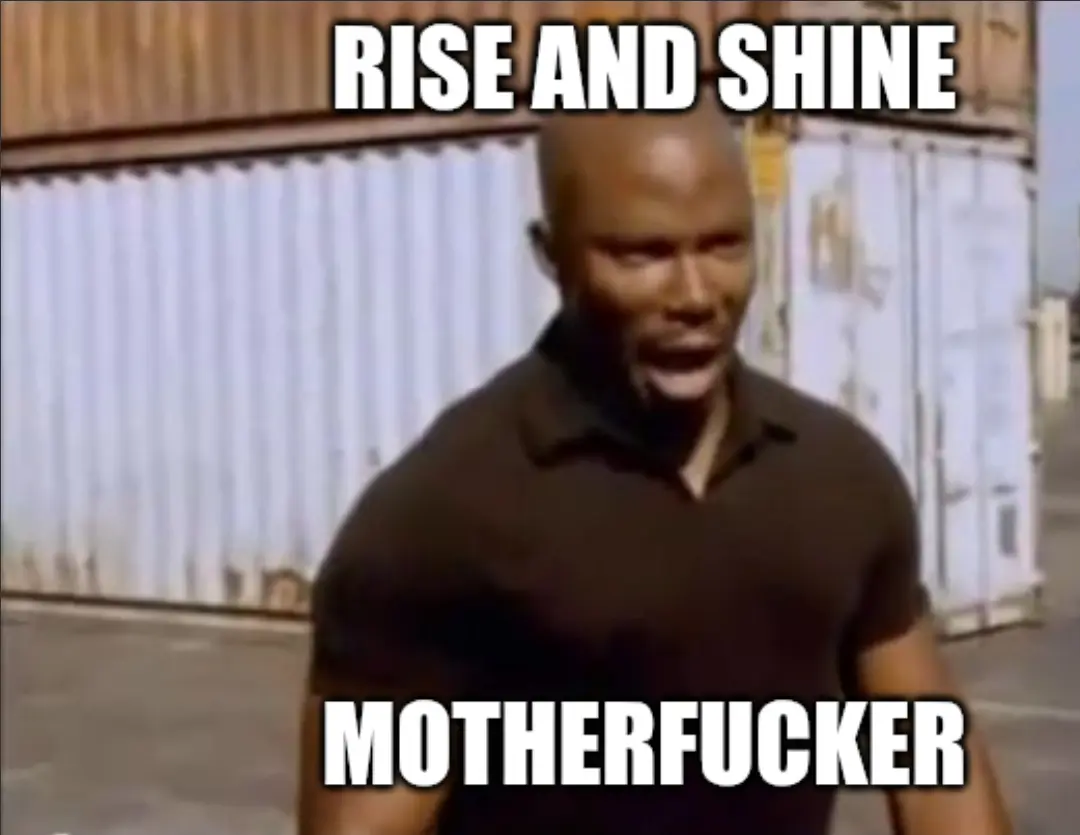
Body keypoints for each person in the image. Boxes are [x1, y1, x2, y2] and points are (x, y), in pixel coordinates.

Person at [296, 103, 1012, 835]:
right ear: (553, 255)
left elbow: (936, 778)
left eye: (725, 245)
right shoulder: (439, 516)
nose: (696, 296)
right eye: (642, 255)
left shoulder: (840, 480)